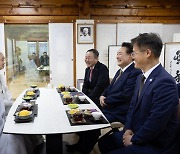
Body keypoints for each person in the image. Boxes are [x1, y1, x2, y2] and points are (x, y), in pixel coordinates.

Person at [98, 33, 179, 154]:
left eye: (134, 53)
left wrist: (134, 139)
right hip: (136, 131)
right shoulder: (141, 76)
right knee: (104, 143)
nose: (132, 57)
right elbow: (132, 107)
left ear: (147, 53)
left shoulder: (164, 82)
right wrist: (128, 129)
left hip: (155, 142)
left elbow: (157, 121)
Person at [66, 49, 109, 153]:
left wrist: (88, 100)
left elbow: (99, 87)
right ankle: (79, 145)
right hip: (90, 98)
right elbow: (85, 85)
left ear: (96, 58)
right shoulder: (88, 69)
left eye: (89, 57)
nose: (86, 60)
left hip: (99, 100)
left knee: (87, 121)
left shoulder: (103, 69)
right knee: (75, 115)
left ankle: (84, 148)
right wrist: (82, 97)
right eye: (86, 57)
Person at [0, 52, 44, 154]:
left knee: (28, 123)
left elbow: (6, 93)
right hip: (3, 120)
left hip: (7, 111)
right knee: (17, 133)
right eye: (2, 60)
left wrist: (13, 104)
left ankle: (38, 146)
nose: (4, 62)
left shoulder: (1, 76)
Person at [100, 42, 141, 124]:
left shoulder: (135, 72)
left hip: (119, 112)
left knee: (93, 124)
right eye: (117, 54)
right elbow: (110, 87)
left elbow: (126, 95)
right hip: (109, 108)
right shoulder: (120, 71)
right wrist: (102, 95)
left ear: (130, 56)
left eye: (120, 54)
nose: (117, 57)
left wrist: (106, 101)